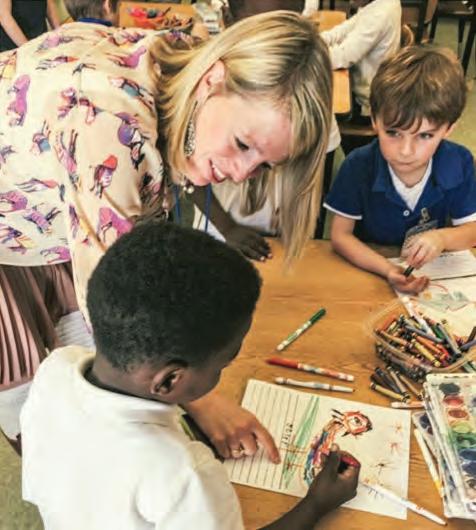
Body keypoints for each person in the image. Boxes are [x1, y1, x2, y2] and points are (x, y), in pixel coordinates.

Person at [0, 1, 332, 454]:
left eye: (263, 165)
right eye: (241, 145)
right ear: (212, 80)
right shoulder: (107, 124)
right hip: (17, 223)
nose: (240, 174)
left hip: (49, 212)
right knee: (44, 415)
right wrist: (203, 401)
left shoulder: (187, 66)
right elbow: (116, 310)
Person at [21, 220, 360, 530]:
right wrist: (316, 504)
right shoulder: (184, 473)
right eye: (224, 364)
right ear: (170, 381)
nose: (223, 371)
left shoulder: (57, 368)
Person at [193, 0, 340, 258]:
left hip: (278, 241)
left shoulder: (307, 101)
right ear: (228, 19)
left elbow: (312, 186)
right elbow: (186, 173)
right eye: (241, 143)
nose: (241, 174)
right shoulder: (211, 94)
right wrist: (227, 228)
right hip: (216, 234)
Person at [324, 46, 476, 294]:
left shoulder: (459, 161)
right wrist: (387, 269)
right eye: (393, 133)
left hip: (432, 276)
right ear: (375, 120)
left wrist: (441, 238)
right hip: (370, 275)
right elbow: (341, 236)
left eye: (425, 136)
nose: (406, 151)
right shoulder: (358, 166)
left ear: (448, 129)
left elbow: (472, 230)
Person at [320, 0, 401, 125]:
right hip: (367, 86)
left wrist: (310, 53)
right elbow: (348, 27)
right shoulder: (378, 5)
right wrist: (319, 39)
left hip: (365, 103)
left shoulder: (379, 14)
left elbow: (343, 56)